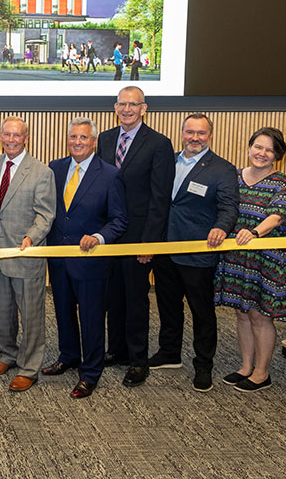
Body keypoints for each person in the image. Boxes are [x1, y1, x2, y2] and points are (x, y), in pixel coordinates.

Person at [150, 113, 238, 392]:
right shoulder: (169, 161)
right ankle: (169, 353)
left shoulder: (222, 169)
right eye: (190, 132)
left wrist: (222, 228)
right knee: (167, 304)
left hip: (199, 251)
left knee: (202, 311)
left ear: (209, 135)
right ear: (182, 133)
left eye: (201, 133)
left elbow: (229, 207)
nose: (195, 138)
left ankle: (203, 364)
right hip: (166, 248)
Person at [42, 118, 128, 398]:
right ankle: (68, 356)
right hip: (58, 258)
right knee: (63, 313)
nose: (77, 142)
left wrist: (99, 237)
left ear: (93, 142)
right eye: (73, 137)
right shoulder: (55, 168)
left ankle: (90, 372)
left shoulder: (110, 174)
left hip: (91, 260)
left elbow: (119, 219)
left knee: (91, 319)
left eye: (84, 138)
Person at [96, 86, 174, 387]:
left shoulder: (158, 144)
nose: (127, 109)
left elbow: (160, 198)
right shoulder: (104, 139)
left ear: (144, 108)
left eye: (134, 104)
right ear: (115, 107)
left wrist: (150, 243)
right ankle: (117, 350)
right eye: (122, 104)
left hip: (138, 236)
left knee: (136, 299)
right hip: (107, 235)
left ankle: (139, 361)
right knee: (112, 296)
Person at [213, 127, 286, 393]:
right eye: (258, 147)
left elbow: (278, 215)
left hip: (266, 259)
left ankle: (262, 373)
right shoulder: (234, 176)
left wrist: (254, 232)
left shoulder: (283, 184)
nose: (262, 154)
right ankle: (245, 367)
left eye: (269, 150)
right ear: (249, 147)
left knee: (261, 316)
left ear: (277, 155)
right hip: (236, 257)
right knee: (241, 312)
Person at [0, 117, 57, 392]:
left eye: (17, 135)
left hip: (26, 253)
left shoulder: (41, 171)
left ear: (26, 137)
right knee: (1, 311)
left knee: (31, 314)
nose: (11, 139)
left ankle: (29, 367)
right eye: (7, 134)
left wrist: (31, 237)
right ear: (1, 136)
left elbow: (45, 214)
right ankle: (7, 354)